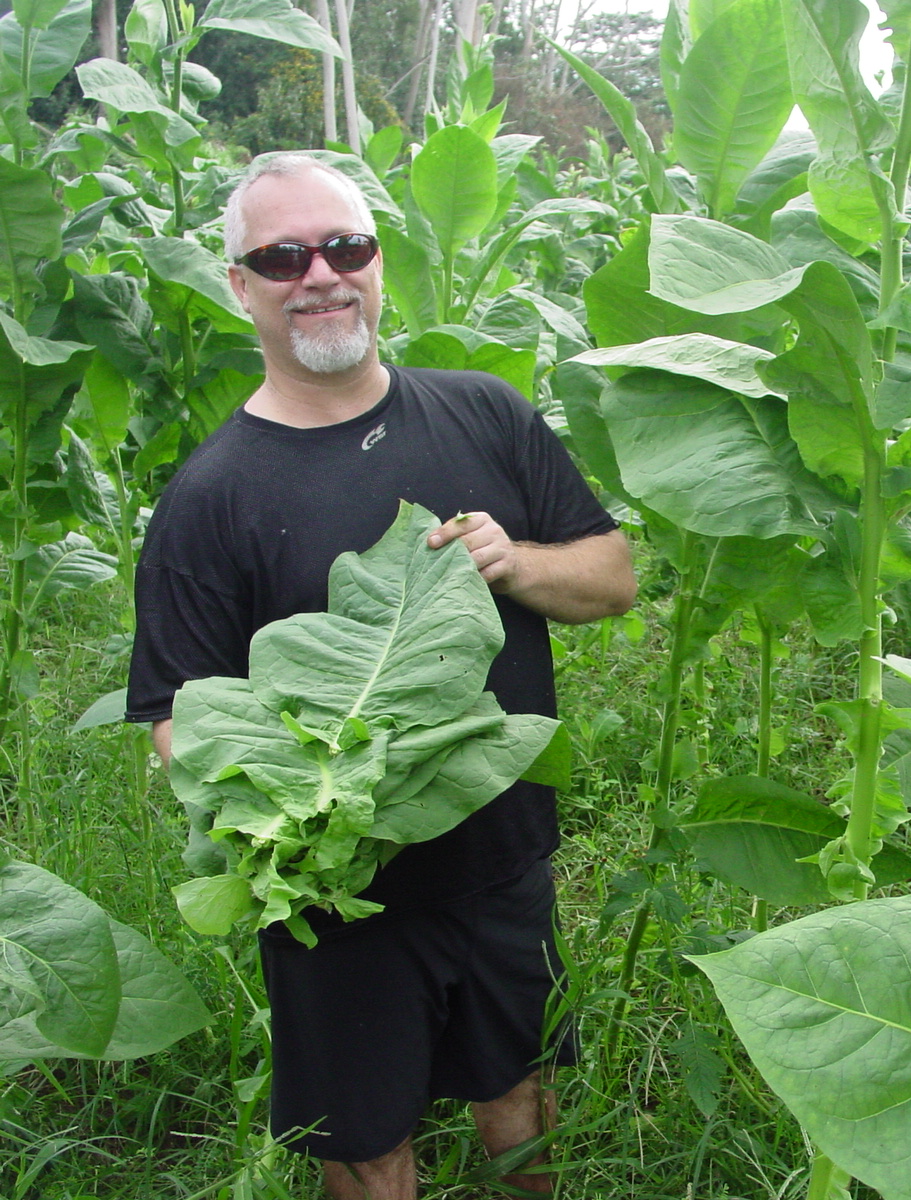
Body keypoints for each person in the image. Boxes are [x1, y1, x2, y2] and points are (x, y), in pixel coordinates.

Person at [126, 153, 637, 1199]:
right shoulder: (209, 497)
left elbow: (613, 578)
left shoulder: (485, 413)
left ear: (377, 263)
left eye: (344, 246)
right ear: (240, 285)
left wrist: (514, 563)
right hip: (339, 898)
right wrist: (312, 803)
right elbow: (178, 719)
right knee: (364, 1144)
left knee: (521, 1101)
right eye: (282, 258)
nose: (319, 274)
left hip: (499, 858)